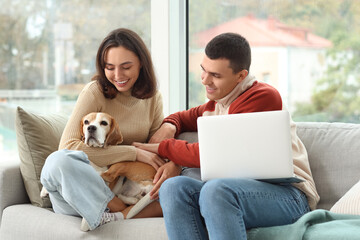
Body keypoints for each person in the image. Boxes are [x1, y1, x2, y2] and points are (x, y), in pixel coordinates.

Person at [134, 32, 320, 240]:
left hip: (288, 196)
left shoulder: (262, 97)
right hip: (240, 193)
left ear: (241, 76)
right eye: (204, 71)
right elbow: (183, 117)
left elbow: (214, 153)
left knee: (216, 190)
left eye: (216, 75)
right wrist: (169, 125)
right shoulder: (217, 103)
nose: (205, 80)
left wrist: (164, 148)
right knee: (173, 188)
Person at [40, 28, 168, 232]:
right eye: (109, 67)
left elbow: (154, 150)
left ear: (141, 63)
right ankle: (115, 210)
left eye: (126, 67)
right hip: (80, 195)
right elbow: (69, 146)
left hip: (123, 187)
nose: (117, 76)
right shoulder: (95, 91)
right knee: (58, 161)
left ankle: (110, 214)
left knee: (177, 185)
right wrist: (133, 152)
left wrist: (172, 125)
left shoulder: (153, 99)